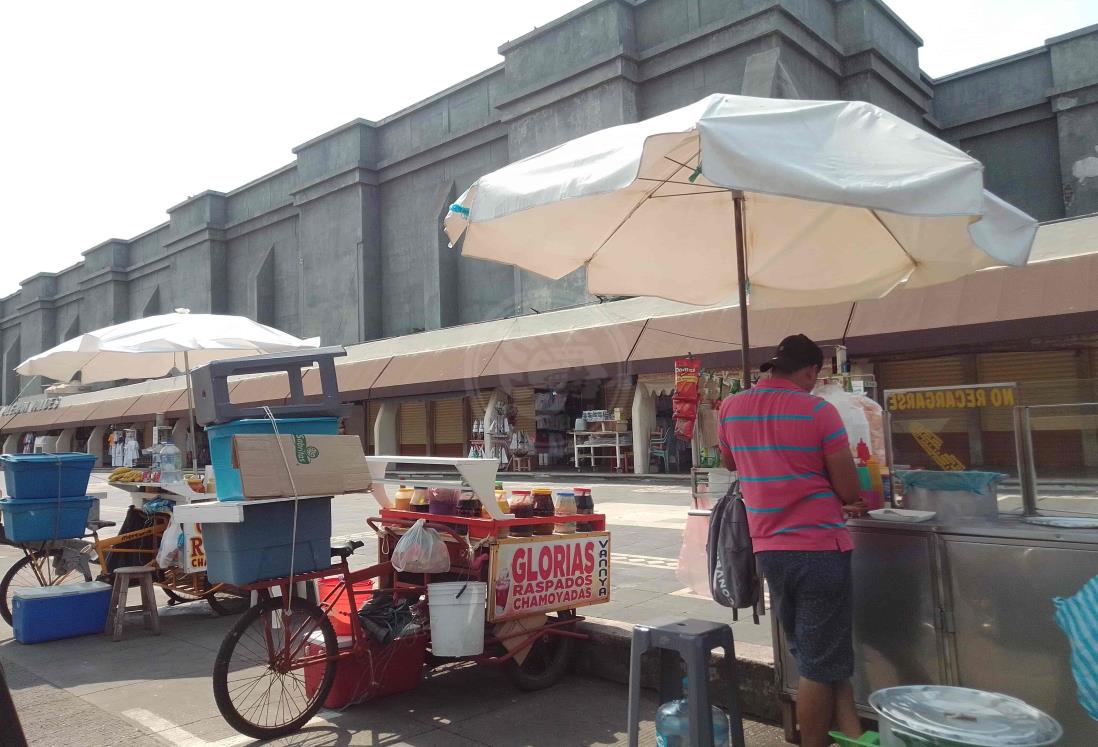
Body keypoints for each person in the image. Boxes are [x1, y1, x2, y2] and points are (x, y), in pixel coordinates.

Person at [718, 334, 866, 747]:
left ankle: (853, 734)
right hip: (819, 547)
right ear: (809, 371)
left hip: (770, 550)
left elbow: (730, 461)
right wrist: (851, 500)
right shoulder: (817, 410)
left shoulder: (730, 407)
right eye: (813, 377)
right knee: (818, 666)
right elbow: (848, 485)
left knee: (821, 651)